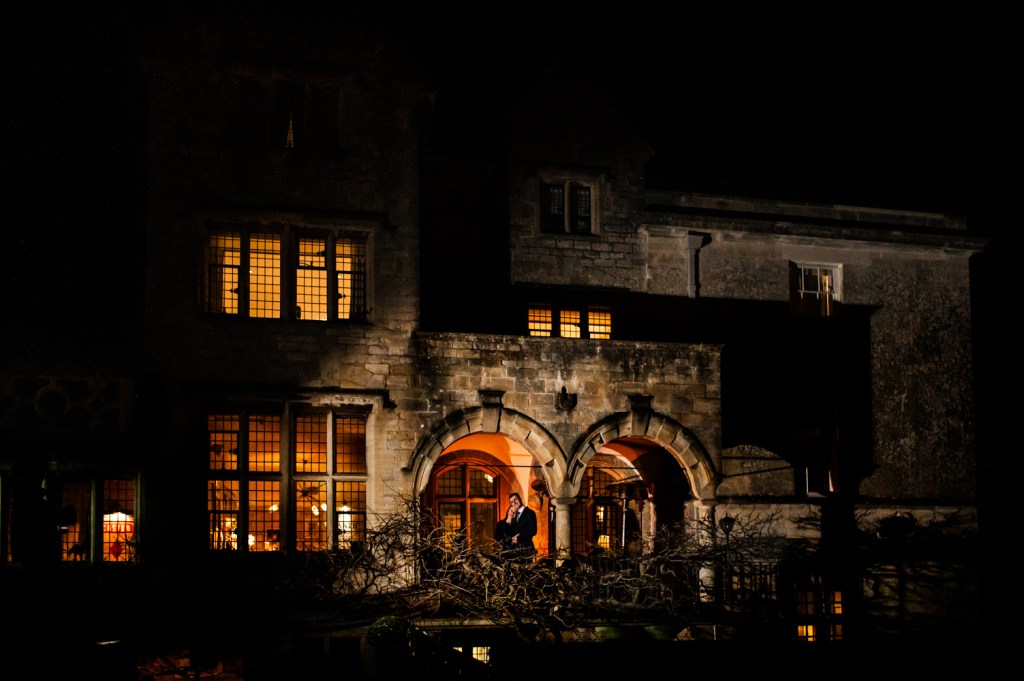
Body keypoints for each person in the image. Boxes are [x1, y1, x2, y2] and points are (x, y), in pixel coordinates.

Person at [494, 492, 537, 561]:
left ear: (520, 498)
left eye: (515, 499)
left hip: (525, 550)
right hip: (513, 552)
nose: (514, 502)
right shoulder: (511, 520)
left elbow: (533, 531)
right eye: (511, 501)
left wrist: (519, 537)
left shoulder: (530, 513)